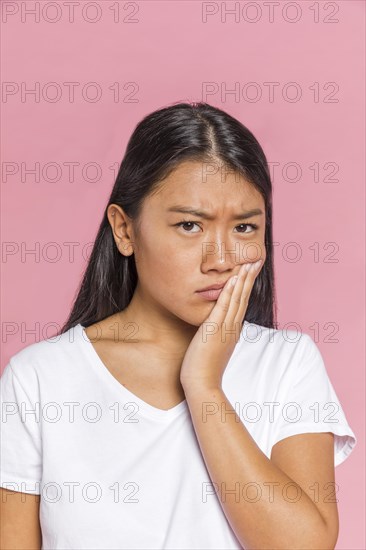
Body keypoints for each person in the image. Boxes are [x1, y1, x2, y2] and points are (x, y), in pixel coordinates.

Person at [0, 101, 357, 549]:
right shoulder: (40, 378)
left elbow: (305, 546)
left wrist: (204, 385)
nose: (222, 260)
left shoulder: (287, 363)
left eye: (245, 228)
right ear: (125, 230)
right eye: (190, 225)